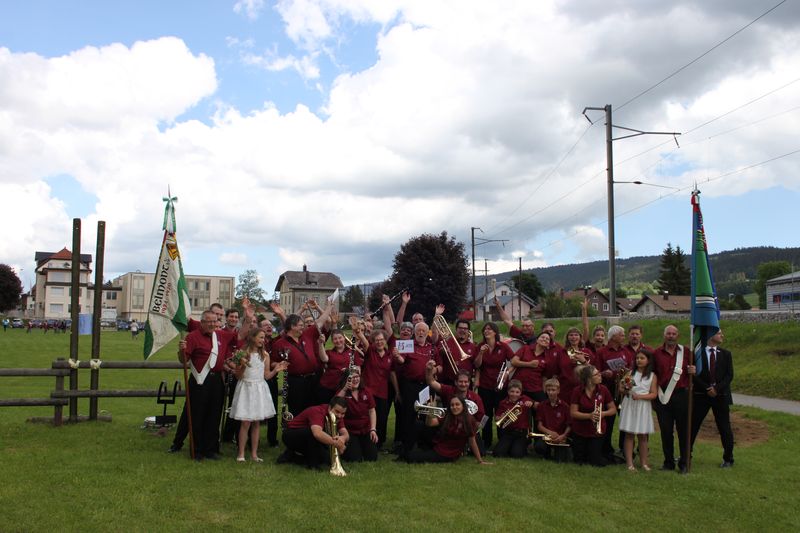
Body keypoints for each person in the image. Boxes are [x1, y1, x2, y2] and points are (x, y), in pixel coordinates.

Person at [178, 309, 240, 461]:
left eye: (215, 321)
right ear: (202, 322)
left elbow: (242, 334)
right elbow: (184, 360)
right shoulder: (192, 337)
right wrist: (181, 351)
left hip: (216, 381)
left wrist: (249, 316)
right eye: (209, 321)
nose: (212, 324)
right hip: (199, 381)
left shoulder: (220, 335)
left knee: (214, 416)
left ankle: (211, 449)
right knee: (198, 416)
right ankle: (197, 450)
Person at [228, 328, 287, 462]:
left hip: (259, 388)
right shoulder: (243, 353)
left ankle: (254, 454)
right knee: (245, 422)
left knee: (256, 422)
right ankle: (241, 453)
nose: (263, 340)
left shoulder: (265, 355)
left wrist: (276, 370)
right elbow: (238, 375)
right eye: (260, 337)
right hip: (246, 388)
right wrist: (242, 365)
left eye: (263, 337)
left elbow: (266, 375)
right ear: (252, 337)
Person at [271, 300, 333, 417]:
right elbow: (272, 362)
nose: (303, 327)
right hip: (295, 382)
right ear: (292, 327)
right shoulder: (279, 343)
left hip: (313, 379)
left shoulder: (307, 334)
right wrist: (279, 365)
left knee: (314, 409)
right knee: (297, 410)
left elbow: (320, 321)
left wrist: (329, 307)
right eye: (300, 325)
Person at [653, 325, 695, 474]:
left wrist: (693, 370)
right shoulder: (656, 353)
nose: (671, 336)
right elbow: (652, 375)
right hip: (663, 396)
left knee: (684, 431)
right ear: (664, 335)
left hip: (681, 396)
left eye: (673, 334)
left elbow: (695, 370)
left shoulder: (686, 352)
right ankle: (668, 462)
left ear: (678, 336)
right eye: (668, 333)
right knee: (666, 431)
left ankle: (684, 463)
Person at [691, 329, 735, 468]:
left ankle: (728, 458)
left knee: (724, 427)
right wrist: (706, 388)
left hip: (720, 396)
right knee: (693, 426)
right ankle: (686, 454)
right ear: (710, 335)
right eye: (719, 333)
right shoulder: (697, 354)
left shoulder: (726, 354)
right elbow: (693, 374)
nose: (722, 335)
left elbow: (729, 375)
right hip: (701, 396)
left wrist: (716, 389)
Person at [405, 396, 490, 465]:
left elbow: (472, 441)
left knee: (410, 457)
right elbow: (430, 424)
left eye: (457, 404)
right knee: (419, 424)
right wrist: (430, 413)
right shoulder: (449, 415)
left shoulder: (469, 420)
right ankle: (411, 448)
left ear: (463, 406)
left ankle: (409, 453)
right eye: (452, 405)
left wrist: (480, 460)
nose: (454, 407)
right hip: (439, 444)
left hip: (447, 453)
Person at [396, 321, 437, 456]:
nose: (421, 333)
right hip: (410, 385)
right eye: (418, 330)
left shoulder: (432, 348)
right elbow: (401, 360)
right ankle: (408, 445)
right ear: (414, 332)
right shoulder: (408, 344)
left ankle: (424, 443)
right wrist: (397, 356)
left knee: (426, 414)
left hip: (427, 385)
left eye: (423, 331)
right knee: (409, 414)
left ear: (427, 333)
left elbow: (440, 367)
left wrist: (435, 369)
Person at [278, 397, 350, 470]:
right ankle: (313, 465)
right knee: (312, 433)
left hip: (309, 438)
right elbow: (317, 434)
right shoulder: (317, 411)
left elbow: (346, 434)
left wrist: (342, 439)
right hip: (291, 435)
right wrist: (336, 443)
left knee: (327, 459)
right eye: (337, 412)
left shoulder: (337, 416)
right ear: (330, 407)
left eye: (343, 413)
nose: (339, 416)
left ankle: (291, 456)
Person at [474, 322, 514, 449]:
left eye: (489, 329)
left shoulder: (503, 346)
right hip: (485, 386)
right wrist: (481, 353)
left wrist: (507, 372)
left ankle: (502, 442)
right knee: (486, 415)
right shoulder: (480, 346)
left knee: (500, 413)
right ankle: (486, 442)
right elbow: (477, 365)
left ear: (495, 332)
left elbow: (514, 362)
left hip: (501, 386)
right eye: (485, 329)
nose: (486, 331)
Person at [597, 325, 633, 461]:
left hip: (623, 392)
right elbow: (596, 371)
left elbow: (631, 370)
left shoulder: (626, 352)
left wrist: (627, 378)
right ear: (613, 337)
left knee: (625, 421)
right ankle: (605, 449)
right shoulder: (602, 352)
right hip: (608, 391)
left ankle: (624, 449)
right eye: (622, 335)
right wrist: (604, 373)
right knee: (608, 421)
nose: (624, 337)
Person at [618, 350, 658, 471]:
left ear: (648, 361)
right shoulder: (630, 373)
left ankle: (644, 463)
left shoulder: (652, 376)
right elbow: (621, 388)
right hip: (630, 405)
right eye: (637, 358)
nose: (639, 360)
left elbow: (654, 394)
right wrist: (626, 389)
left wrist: (640, 396)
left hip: (643, 406)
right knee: (629, 434)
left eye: (642, 358)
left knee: (643, 436)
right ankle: (629, 463)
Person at [570, 365, 616, 467]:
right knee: (579, 460)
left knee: (595, 461)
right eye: (596, 374)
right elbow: (573, 413)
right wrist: (589, 416)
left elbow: (613, 409)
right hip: (580, 430)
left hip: (596, 431)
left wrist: (603, 413)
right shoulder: (577, 391)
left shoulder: (603, 389)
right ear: (588, 379)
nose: (600, 375)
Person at [318, 320, 367, 404]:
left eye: (340, 338)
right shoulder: (329, 352)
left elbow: (358, 370)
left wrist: (348, 371)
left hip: (345, 387)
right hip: (328, 386)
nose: (338, 341)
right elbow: (324, 359)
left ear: (344, 338)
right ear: (332, 341)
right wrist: (320, 344)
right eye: (335, 339)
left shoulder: (353, 352)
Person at [337, 367, 379, 462]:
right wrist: (345, 389)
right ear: (347, 379)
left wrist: (373, 429)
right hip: (350, 431)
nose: (356, 379)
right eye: (352, 377)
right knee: (355, 458)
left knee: (372, 457)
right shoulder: (343, 393)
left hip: (365, 429)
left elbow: (372, 411)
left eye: (357, 376)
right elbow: (335, 404)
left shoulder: (366, 391)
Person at [534, 378, 571, 462]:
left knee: (560, 460)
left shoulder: (565, 406)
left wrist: (563, 436)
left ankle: (561, 452)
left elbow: (569, 425)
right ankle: (547, 453)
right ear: (545, 390)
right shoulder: (542, 405)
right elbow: (539, 426)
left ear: (558, 391)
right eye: (548, 390)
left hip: (560, 437)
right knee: (539, 447)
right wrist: (550, 433)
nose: (550, 392)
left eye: (553, 390)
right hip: (547, 436)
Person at [493, 380, 533, 458]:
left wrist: (531, 403)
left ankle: (522, 446)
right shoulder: (503, 402)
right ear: (508, 391)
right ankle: (511, 446)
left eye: (517, 392)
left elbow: (536, 405)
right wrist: (502, 417)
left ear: (520, 392)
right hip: (508, 432)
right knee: (498, 453)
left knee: (516, 455)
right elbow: (496, 418)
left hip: (521, 433)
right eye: (512, 391)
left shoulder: (525, 399)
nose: (514, 394)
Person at [511, 331, 548, 403]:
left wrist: (544, 392)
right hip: (519, 387)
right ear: (537, 340)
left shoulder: (547, 357)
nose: (544, 339)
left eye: (547, 339)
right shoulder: (525, 348)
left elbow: (544, 377)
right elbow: (514, 361)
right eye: (542, 337)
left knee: (543, 405)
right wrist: (529, 364)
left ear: (548, 344)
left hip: (535, 388)